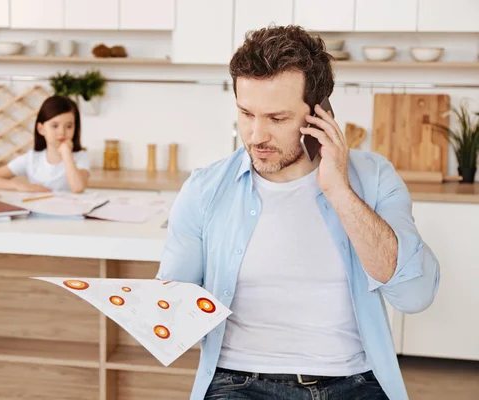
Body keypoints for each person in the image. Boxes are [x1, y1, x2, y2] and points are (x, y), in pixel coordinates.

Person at [157, 25, 440, 400]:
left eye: (277, 119)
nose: (256, 135)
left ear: (319, 115)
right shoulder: (205, 189)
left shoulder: (372, 178)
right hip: (239, 381)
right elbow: (171, 308)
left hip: (353, 381)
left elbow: (415, 295)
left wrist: (339, 189)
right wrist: (153, 311)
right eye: (246, 113)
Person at [0, 95, 90, 193]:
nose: (62, 132)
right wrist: (19, 186)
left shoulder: (80, 157)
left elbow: (78, 188)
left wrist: (66, 154)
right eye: (55, 126)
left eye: (69, 126)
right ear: (41, 129)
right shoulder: (31, 159)